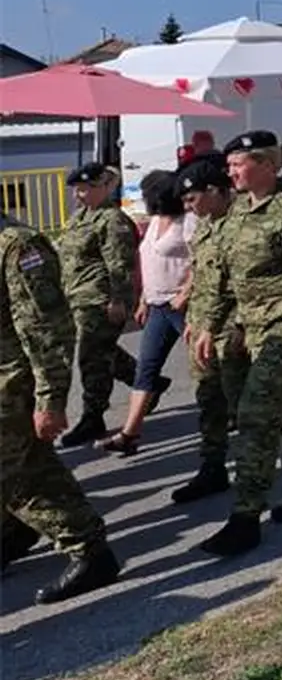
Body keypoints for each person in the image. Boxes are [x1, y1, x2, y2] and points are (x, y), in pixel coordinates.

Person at [191, 130, 282, 556]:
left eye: (239, 164)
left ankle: (245, 517)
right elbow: (223, 276)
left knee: (256, 415)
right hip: (252, 327)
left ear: (267, 165)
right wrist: (208, 325)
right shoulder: (237, 211)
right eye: (231, 165)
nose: (231, 172)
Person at [0, 214, 123, 603]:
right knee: (33, 465)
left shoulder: (18, 247)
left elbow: (46, 328)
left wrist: (50, 399)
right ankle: (19, 534)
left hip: (12, 381)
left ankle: (89, 550)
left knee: (15, 476)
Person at [95, 170, 195, 455]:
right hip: (157, 306)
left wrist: (186, 292)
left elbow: (205, 261)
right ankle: (130, 434)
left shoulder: (188, 222)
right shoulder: (155, 222)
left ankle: (272, 425)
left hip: (184, 306)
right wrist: (143, 300)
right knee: (146, 370)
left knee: (216, 368)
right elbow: (148, 260)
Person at [172, 156, 251, 505]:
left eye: (193, 199)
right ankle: (213, 468)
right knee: (209, 401)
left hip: (234, 327)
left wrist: (223, 326)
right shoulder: (204, 227)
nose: (190, 208)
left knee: (243, 403)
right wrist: (193, 318)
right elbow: (203, 277)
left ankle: (264, 461)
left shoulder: (242, 224)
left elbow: (240, 285)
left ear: (216, 191)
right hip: (203, 328)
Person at [53, 163, 140, 447]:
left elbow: (120, 265)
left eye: (86, 189)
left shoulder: (112, 220)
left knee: (91, 358)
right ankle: (145, 379)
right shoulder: (80, 218)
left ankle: (93, 417)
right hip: (77, 298)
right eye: (77, 190)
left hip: (100, 300)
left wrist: (118, 300)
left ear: (103, 187)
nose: (79, 195)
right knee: (99, 352)